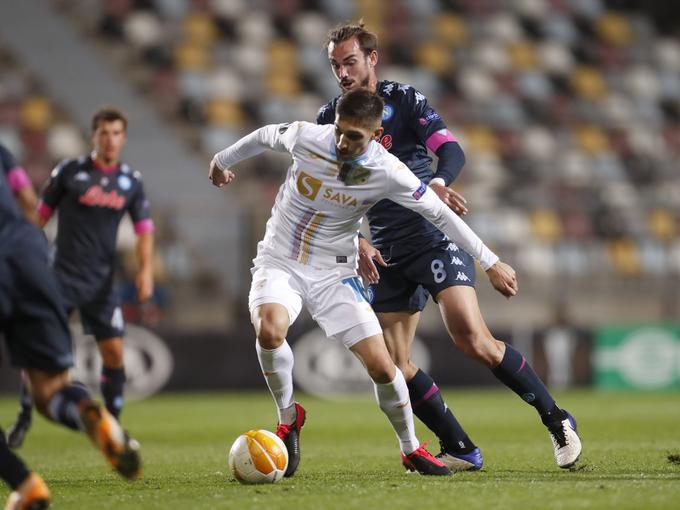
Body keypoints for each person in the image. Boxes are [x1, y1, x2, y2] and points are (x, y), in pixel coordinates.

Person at [209, 88, 518, 477]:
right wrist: (221, 161)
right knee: (270, 330)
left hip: (335, 272)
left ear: (373, 134)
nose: (342, 141)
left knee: (383, 366)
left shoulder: (388, 170)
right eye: (340, 130)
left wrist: (490, 261)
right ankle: (288, 416)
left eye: (354, 136)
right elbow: (265, 134)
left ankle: (411, 449)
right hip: (280, 261)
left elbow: (441, 215)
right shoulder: (308, 135)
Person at [316, 22, 582, 470]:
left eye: (350, 62)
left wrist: (439, 181)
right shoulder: (329, 119)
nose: (342, 73)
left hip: (433, 236)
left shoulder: (404, 100)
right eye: (335, 65)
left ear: (371, 59)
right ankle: (460, 447)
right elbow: (327, 190)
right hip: (386, 250)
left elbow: (450, 149)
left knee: (472, 339)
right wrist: (356, 238)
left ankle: (556, 419)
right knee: (391, 365)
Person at [0, 144, 141, 509]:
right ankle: (85, 412)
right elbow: (29, 201)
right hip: (28, 255)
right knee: (53, 391)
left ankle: (25, 483)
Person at [7, 107, 155, 449]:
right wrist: (24, 259)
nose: (110, 139)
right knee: (41, 352)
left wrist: (145, 271)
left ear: (124, 138)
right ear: (94, 136)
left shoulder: (131, 182)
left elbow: (144, 231)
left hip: (102, 284)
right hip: (60, 278)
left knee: (115, 355)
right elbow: (38, 217)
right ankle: (25, 415)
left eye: (116, 133)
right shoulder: (70, 173)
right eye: (104, 132)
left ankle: (113, 428)